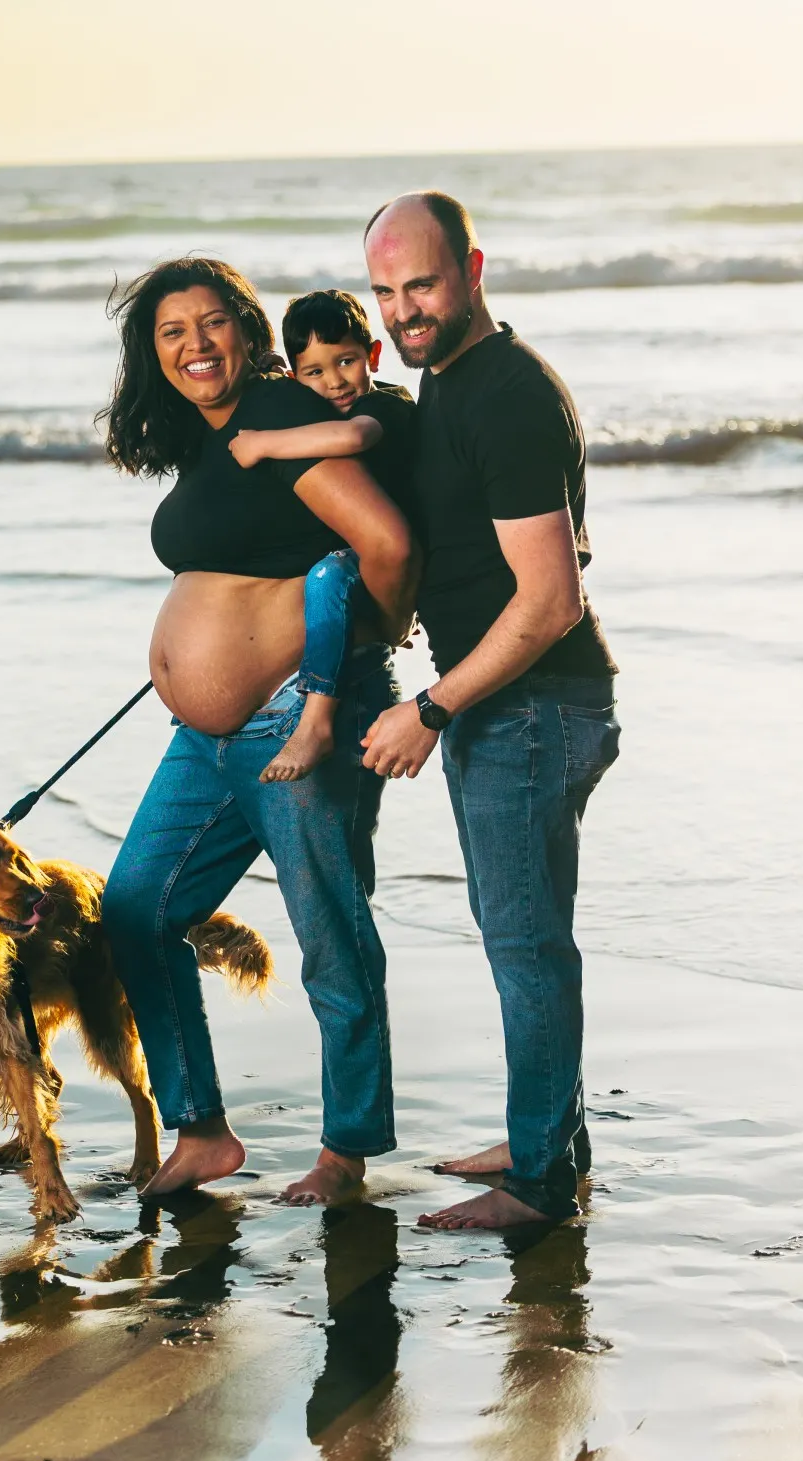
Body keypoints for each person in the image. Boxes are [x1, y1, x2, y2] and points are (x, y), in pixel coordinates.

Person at [97, 258, 419, 1207]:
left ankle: (346, 1149)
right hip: (206, 740)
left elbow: (388, 544)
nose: (194, 344)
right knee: (136, 908)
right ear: (151, 355)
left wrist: (369, 641)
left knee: (329, 930)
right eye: (170, 332)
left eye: (211, 323)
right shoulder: (211, 441)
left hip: (295, 724)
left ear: (248, 331)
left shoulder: (278, 417)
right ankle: (201, 1131)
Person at [359, 192, 620, 1232]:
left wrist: (432, 703)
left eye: (421, 284)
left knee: (525, 946)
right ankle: (543, 1131)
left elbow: (552, 599)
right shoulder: (450, 382)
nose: (404, 310)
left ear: (471, 267)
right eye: (384, 292)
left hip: (532, 706)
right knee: (524, 937)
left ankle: (541, 1183)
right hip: (514, 708)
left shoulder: (505, 393)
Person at [227, 288, 417, 783]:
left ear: (373, 355)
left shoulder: (387, 403)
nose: (335, 381)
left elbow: (355, 438)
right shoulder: (314, 405)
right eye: (315, 372)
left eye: (347, 361)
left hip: (400, 550)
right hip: (358, 550)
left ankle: (316, 722)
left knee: (328, 577)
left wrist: (262, 444)